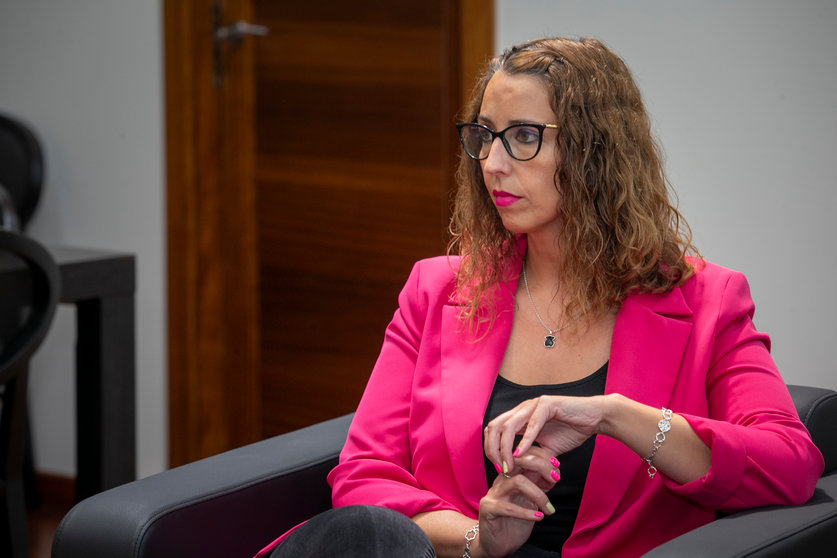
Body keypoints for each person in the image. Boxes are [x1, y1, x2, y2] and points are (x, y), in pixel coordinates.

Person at [258, 36, 823, 558]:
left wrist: (615, 416)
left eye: (524, 137)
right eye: (483, 137)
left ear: (595, 151)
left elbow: (791, 466)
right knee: (365, 534)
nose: (492, 165)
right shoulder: (435, 290)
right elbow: (364, 477)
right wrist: (481, 537)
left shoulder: (707, 300)